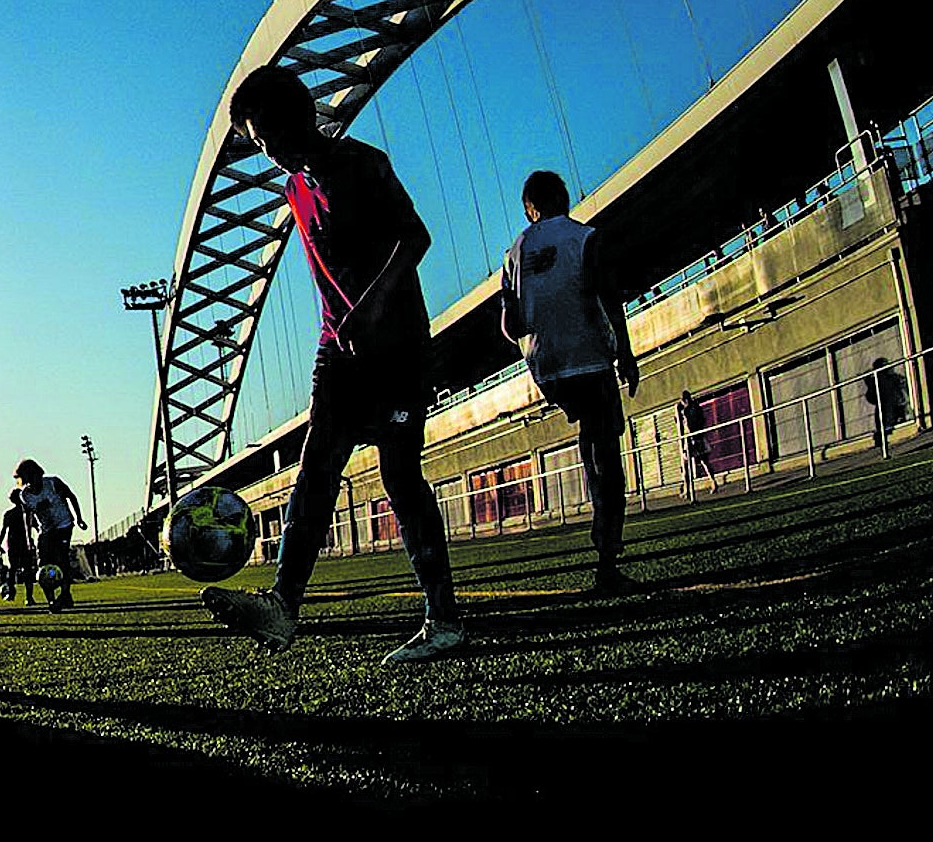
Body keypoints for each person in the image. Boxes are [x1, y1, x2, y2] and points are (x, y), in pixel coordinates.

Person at [201, 64, 465, 664]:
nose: (265, 153)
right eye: (255, 143)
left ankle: (444, 621)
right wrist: (339, 324)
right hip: (337, 351)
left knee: (400, 477)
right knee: (317, 467)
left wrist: (370, 307)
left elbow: (415, 238)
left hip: (396, 346)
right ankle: (283, 607)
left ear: (296, 118)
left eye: (264, 137)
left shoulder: (361, 164)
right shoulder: (294, 187)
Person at [499, 170, 640, 596]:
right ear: (563, 198)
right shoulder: (585, 237)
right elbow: (607, 296)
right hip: (589, 356)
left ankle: (596, 498)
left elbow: (511, 324)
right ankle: (607, 556)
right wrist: (626, 353)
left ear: (529, 208)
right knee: (607, 449)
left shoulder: (513, 252)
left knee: (590, 433)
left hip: (547, 366)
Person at [12, 459, 86, 611]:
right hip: (45, 530)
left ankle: (65, 594)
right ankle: (51, 600)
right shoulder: (25, 495)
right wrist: (29, 537)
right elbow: (28, 516)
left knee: (61, 559)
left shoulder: (53, 483)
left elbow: (71, 496)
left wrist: (79, 518)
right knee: (43, 565)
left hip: (63, 525)